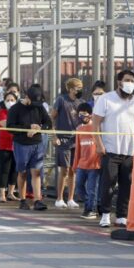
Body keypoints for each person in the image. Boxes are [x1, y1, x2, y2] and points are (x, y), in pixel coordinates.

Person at [93, 70, 134, 227]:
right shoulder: (106, 99)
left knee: (127, 183)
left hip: (131, 152)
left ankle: (122, 215)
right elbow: (95, 123)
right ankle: (104, 214)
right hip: (110, 150)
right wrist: (99, 144)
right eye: (127, 80)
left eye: (132, 80)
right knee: (108, 183)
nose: (130, 83)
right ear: (119, 82)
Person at [7, 84, 52, 211]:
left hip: (37, 143)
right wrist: (26, 129)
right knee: (22, 172)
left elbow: (48, 122)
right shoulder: (15, 109)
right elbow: (10, 127)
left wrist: (40, 129)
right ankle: (22, 199)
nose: (36, 104)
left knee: (36, 172)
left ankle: (37, 199)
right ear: (27, 97)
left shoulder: (39, 107)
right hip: (21, 144)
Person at [52, 78, 84, 209]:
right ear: (71, 89)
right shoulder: (61, 100)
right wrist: (54, 136)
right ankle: (59, 198)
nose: (79, 90)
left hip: (76, 140)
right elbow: (52, 118)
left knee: (73, 170)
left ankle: (71, 198)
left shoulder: (81, 102)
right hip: (63, 139)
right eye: (77, 88)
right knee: (64, 170)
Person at [72, 102, 101, 219]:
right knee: (78, 186)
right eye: (80, 115)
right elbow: (78, 148)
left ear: (90, 114)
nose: (82, 117)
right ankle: (89, 204)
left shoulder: (96, 127)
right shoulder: (79, 129)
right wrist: (75, 164)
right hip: (82, 164)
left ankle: (91, 209)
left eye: (84, 114)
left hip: (94, 165)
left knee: (92, 189)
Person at [0, 92, 19, 202]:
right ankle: (2, 194)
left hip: (16, 145)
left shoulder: (18, 112)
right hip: (4, 145)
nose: (10, 102)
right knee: (4, 169)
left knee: (14, 170)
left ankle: (11, 192)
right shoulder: (2, 111)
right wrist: (17, 124)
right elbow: (3, 123)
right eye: (8, 100)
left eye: (12, 100)